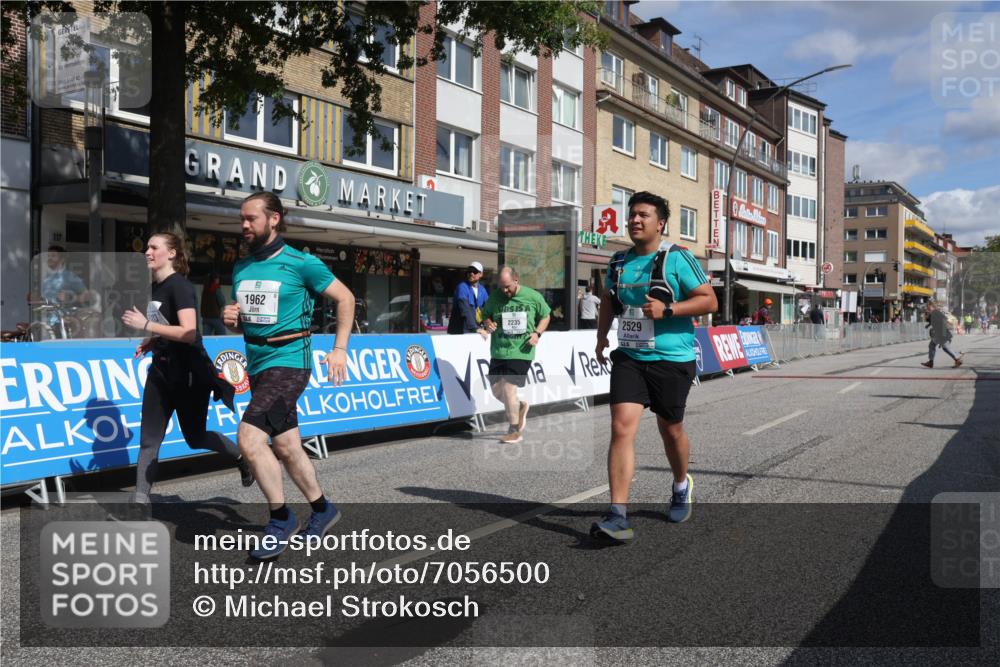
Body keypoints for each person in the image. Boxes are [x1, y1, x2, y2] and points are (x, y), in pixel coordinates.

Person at [223, 192, 356, 560]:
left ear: (274, 219)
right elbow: (248, 321)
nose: (244, 225)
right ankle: (323, 509)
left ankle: (280, 519)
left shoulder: (302, 263)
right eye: (242, 219)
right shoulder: (241, 268)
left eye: (251, 218)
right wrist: (231, 319)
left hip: (292, 361)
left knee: (249, 439)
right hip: (259, 364)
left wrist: (340, 349)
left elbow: (345, 298)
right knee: (286, 447)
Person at [591, 191, 717, 542]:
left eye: (643, 215)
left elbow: (709, 300)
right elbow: (607, 302)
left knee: (671, 429)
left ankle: (680, 484)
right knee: (621, 427)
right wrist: (602, 338)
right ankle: (617, 514)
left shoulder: (678, 259)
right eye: (632, 215)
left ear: (660, 223)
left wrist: (669, 311)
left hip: (672, 359)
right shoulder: (617, 262)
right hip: (630, 357)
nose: (635, 220)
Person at [121, 233, 254, 508]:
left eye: (153, 247)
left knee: (195, 438)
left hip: (189, 375)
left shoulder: (179, 286)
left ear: (171, 254)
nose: (147, 251)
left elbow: (190, 332)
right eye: (147, 247)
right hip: (161, 371)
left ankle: (242, 457)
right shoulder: (155, 287)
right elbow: (167, 325)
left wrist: (146, 326)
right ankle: (140, 501)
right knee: (149, 440)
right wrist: (152, 341)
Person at [478, 266, 551, 444]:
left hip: (521, 350)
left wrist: (537, 333)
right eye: (501, 287)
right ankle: (519, 407)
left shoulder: (533, 296)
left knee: (509, 387)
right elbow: (485, 316)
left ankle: (514, 430)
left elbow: (546, 315)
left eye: (508, 286)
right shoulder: (495, 296)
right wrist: (488, 323)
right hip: (499, 350)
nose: (505, 290)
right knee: (497, 390)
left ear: (516, 280)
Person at [447, 262, 488, 334]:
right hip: (459, 331)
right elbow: (465, 309)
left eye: (475, 271)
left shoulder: (482, 290)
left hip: (474, 331)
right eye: (469, 271)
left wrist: (491, 323)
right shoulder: (462, 287)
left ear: (481, 274)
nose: (471, 273)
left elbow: (489, 308)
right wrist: (474, 328)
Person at [921, 301, 962, 369]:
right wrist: (928, 325)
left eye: (928, 307)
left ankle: (957, 359)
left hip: (943, 333)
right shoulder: (934, 312)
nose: (927, 308)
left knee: (943, 347)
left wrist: (943, 334)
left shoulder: (935, 312)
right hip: (941, 333)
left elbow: (944, 320)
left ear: (932, 306)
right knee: (937, 346)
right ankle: (931, 362)